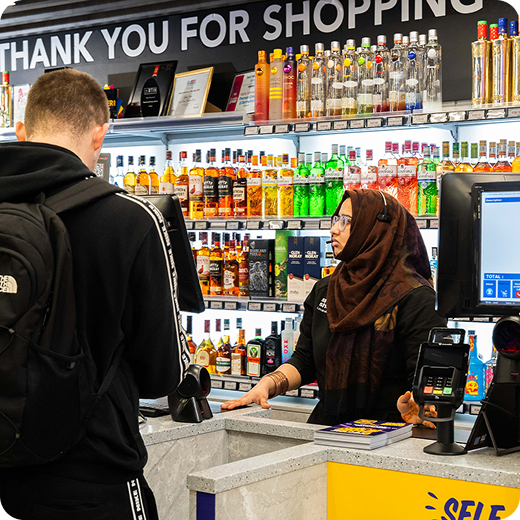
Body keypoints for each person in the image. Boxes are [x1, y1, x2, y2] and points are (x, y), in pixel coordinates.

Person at [0, 69, 190, 519]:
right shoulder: (131, 219)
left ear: (22, 130)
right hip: (90, 477)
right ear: (100, 134)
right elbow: (161, 374)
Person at [222, 189, 445, 427]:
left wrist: (419, 405)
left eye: (346, 221)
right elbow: (305, 359)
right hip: (326, 429)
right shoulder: (326, 289)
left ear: (375, 229)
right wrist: (267, 384)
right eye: (336, 219)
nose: (334, 229)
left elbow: (430, 380)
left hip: (388, 432)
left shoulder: (416, 297)